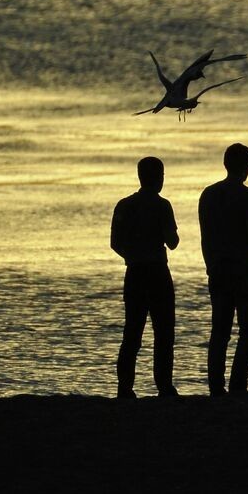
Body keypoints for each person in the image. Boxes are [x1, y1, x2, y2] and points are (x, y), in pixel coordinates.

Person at [199, 143, 248, 396]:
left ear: (225, 164)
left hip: (218, 269)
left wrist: (210, 266)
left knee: (220, 332)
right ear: (247, 166)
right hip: (245, 271)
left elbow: (205, 237)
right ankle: (237, 385)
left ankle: (216, 387)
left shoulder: (208, 195)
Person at [110, 156, 180, 398]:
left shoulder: (124, 205)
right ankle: (164, 386)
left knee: (132, 332)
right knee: (164, 333)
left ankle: (125, 387)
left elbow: (115, 243)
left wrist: (132, 255)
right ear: (159, 178)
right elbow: (173, 242)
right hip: (158, 272)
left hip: (135, 273)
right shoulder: (163, 206)